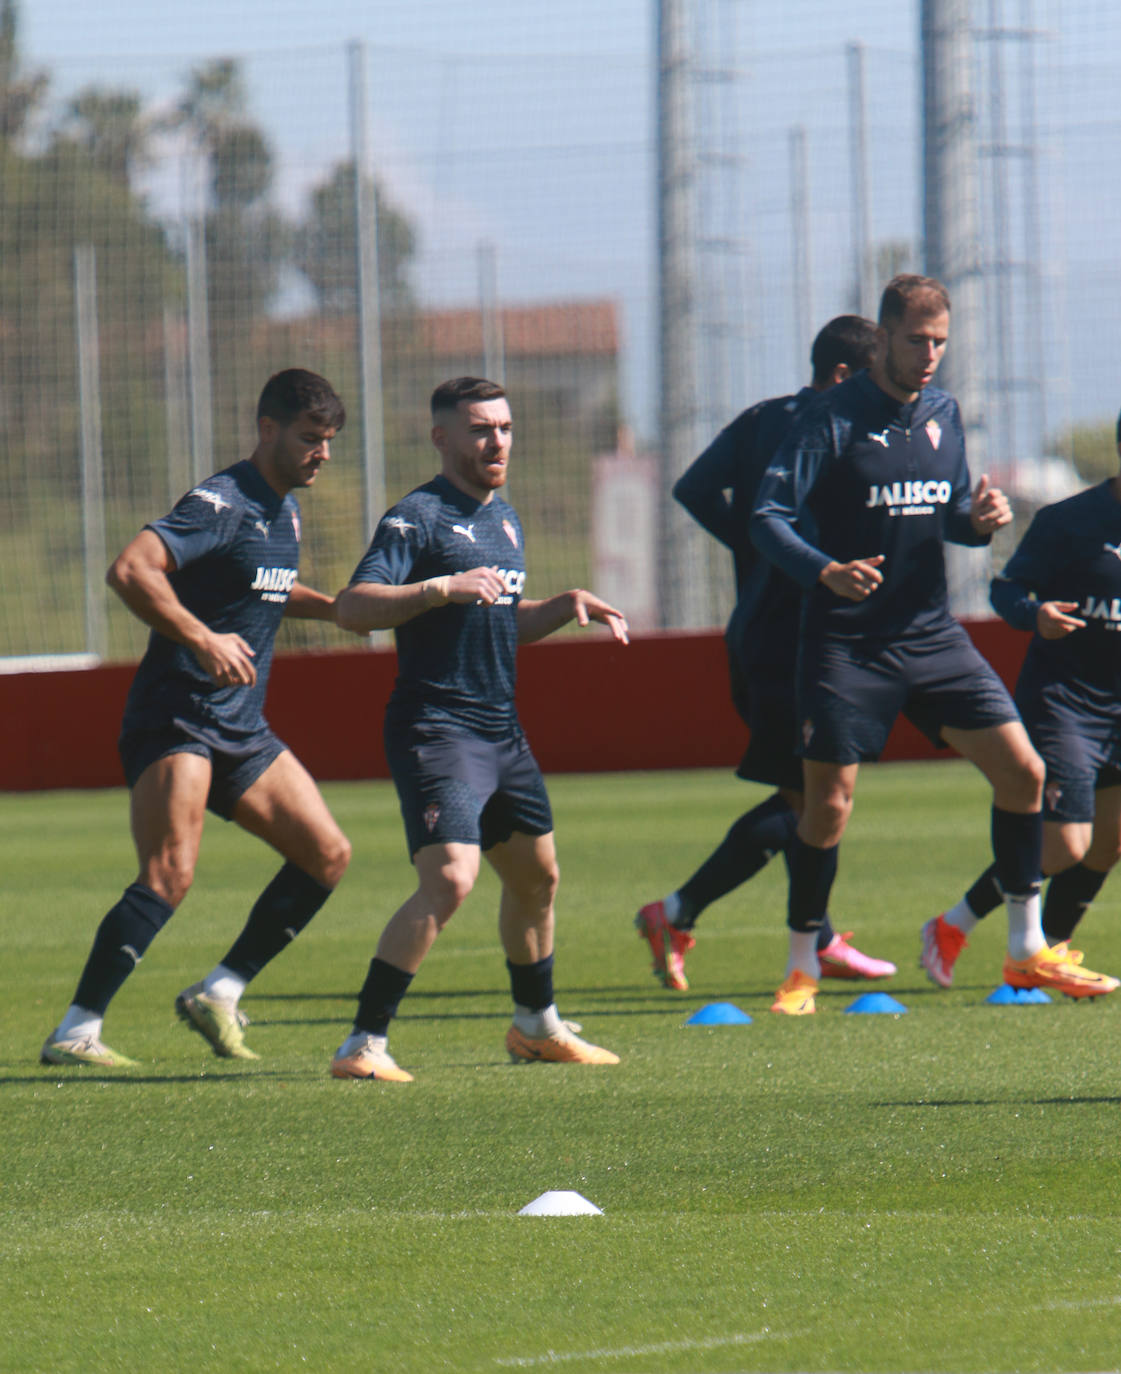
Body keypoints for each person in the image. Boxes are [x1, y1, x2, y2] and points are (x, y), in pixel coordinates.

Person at [751, 273, 1117, 1015]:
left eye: (939, 342)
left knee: (1021, 772)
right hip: (845, 643)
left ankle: (1023, 952)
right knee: (828, 808)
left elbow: (948, 516)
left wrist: (978, 517)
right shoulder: (829, 418)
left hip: (929, 635)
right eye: (915, 340)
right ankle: (800, 965)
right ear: (881, 337)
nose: (928, 356)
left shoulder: (943, 414)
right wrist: (823, 571)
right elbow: (766, 515)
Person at [40, 369, 353, 1067]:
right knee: (168, 875)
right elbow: (131, 569)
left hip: (240, 727)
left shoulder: (284, 510)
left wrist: (332, 607)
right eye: (310, 438)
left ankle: (220, 990)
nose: (322, 454)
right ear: (267, 429)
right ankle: (76, 1030)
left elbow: (264, 587)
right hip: (177, 717)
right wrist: (202, 638)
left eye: (328, 441)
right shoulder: (223, 500)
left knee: (327, 855)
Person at [330, 376, 628, 1082]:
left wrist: (561, 606)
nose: (495, 441)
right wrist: (438, 587)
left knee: (536, 879)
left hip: (500, 731)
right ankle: (362, 1044)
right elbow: (351, 607)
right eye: (478, 429)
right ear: (442, 438)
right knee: (452, 879)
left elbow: (497, 621)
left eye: (503, 427)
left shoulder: (505, 519)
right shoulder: (418, 519)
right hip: (438, 730)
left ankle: (536, 1026)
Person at [636, 315, 898, 991]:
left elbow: (693, 487)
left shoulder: (759, 419)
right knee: (812, 802)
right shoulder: (831, 423)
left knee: (813, 797)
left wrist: (752, 547)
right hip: (792, 639)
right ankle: (684, 912)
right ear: (844, 375)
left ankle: (809, 932)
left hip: (765, 631)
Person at [920, 413, 1121, 993]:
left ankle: (1042, 966)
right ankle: (953, 925)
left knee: (1107, 845)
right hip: (1066, 703)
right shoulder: (1071, 521)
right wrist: (1036, 615)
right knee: (1064, 844)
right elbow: (1006, 589)